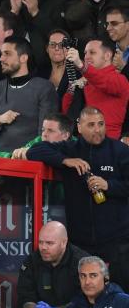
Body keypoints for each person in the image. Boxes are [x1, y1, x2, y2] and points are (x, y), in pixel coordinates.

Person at [28, 108, 129, 287]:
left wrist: (109, 185)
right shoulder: (70, 149)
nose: (97, 129)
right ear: (79, 127)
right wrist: (65, 161)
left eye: (101, 124)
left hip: (117, 242)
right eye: (91, 125)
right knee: (83, 296)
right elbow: (35, 151)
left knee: (120, 294)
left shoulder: (120, 151)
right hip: (81, 243)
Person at [13, 221, 89, 308]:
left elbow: (87, 300)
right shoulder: (32, 261)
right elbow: (24, 297)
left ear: (63, 243)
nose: (43, 247)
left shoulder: (82, 262)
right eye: (41, 242)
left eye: (49, 243)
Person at [0, 36, 59, 151]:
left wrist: (30, 153)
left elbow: (46, 132)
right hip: (0, 159)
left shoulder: (44, 88)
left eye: (7, 54)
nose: (1, 59)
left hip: (31, 158)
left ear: (23, 58)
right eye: (1, 54)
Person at [63, 40, 129, 139]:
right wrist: (73, 86)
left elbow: (103, 81)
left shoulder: (120, 80)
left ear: (107, 56)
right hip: (84, 142)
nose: (87, 57)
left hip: (108, 144)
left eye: (92, 52)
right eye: (85, 53)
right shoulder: (87, 81)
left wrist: (81, 66)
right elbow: (67, 111)